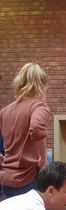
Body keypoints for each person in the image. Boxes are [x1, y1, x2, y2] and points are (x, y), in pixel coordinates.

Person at [0, 63, 50, 198]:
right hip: (29, 177)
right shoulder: (39, 106)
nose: (47, 90)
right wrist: (43, 157)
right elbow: (36, 127)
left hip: (7, 179)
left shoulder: (5, 111)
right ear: (40, 84)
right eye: (46, 86)